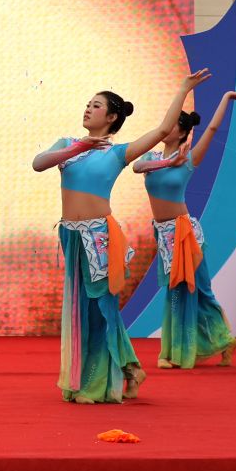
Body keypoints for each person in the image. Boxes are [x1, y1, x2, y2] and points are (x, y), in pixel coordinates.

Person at [32, 69, 209, 404]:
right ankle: (126, 368)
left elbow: (161, 131)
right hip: (71, 235)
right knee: (83, 309)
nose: (88, 109)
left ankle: (107, 377)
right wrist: (78, 147)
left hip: (99, 236)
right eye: (88, 104)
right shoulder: (68, 144)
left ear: (112, 117)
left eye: (96, 106)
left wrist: (185, 88)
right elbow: (38, 163)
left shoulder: (117, 154)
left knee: (102, 308)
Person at [135, 89, 236, 369]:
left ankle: (181, 351)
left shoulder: (189, 159)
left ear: (183, 132)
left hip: (184, 233)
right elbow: (136, 166)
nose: (166, 128)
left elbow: (211, 129)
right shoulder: (151, 157)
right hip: (164, 234)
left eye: (173, 124)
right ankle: (188, 347)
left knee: (197, 291)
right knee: (174, 291)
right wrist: (167, 162)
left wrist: (225, 98)